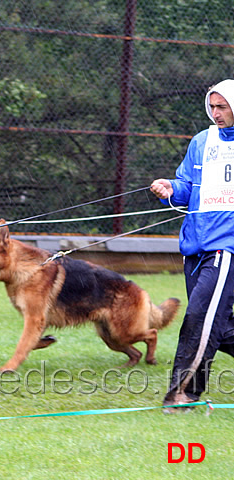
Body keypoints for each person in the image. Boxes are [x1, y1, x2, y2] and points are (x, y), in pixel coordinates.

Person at [151, 78, 234, 413]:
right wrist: (170, 187)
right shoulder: (201, 142)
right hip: (195, 245)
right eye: (212, 106)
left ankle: (182, 393)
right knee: (220, 326)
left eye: (222, 107)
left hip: (226, 247)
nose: (216, 113)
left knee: (199, 317)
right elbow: (186, 184)